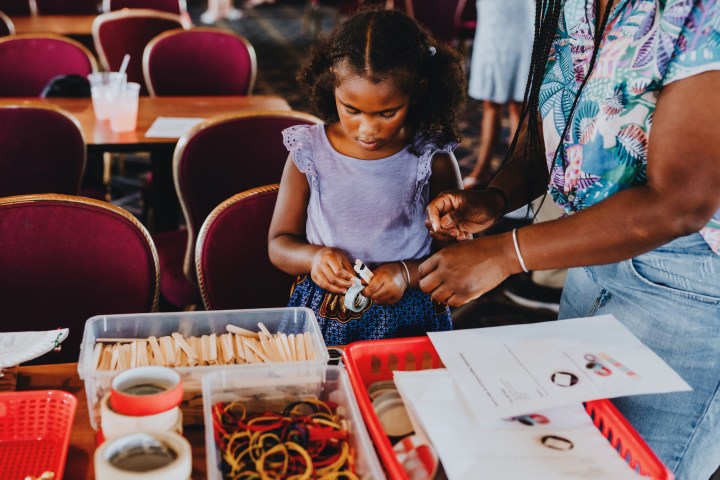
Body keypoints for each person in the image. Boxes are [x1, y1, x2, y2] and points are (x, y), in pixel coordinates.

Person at [418, 0, 720, 478]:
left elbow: (680, 203)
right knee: (574, 459)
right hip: (591, 245)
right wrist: (497, 197)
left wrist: (505, 253)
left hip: (688, 284)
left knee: (637, 466)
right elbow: (561, 120)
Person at [268, 7, 466, 346]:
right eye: (352, 110)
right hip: (325, 312)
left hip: (410, 309)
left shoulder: (432, 158)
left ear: (417, 91)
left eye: (387, 113)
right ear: (331, 86)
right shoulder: (308, 152)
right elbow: (279, 244)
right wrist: (313, 257)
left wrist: (406, 273)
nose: (368, 129)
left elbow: (455, 255)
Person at [462, 0, 535, 189]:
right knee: (490, 102)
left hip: (522, 16)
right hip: (492, 19)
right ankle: (482, 168)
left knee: (519, 106)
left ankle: (514, 170)